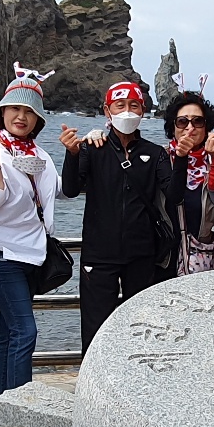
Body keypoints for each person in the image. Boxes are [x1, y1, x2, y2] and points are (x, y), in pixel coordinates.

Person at [59, 81, 176, 352]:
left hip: (142, 254)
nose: (127, 112)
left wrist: (180, 158)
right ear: (107, 110)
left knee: (141, 327)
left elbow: (174, 193)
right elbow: (71, 189)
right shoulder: (92, 147)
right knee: (96, 330)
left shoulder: (155, 153)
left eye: (134, 106)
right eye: (120, 105)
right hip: (99, 255)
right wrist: (72, 154)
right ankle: (93, 377)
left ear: (143, 110)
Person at [0, 69, 59, 399]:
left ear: (38, 120)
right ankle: (22, 407)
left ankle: (0, 401)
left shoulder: (40, 155)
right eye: (15, 109)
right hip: (2, 254)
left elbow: (59, 191)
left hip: (33, 254)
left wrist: (80, 153)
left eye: (29, 111)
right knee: (25, 331)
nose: (21, 116)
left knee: (10, 332)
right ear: (2, 112)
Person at [159, 89, 214, 279]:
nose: (190, 127)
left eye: (198, 121)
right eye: (183, 121)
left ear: (207, 127)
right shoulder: (160, 158)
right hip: (163, 253)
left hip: (200, 254)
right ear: (173, 126)